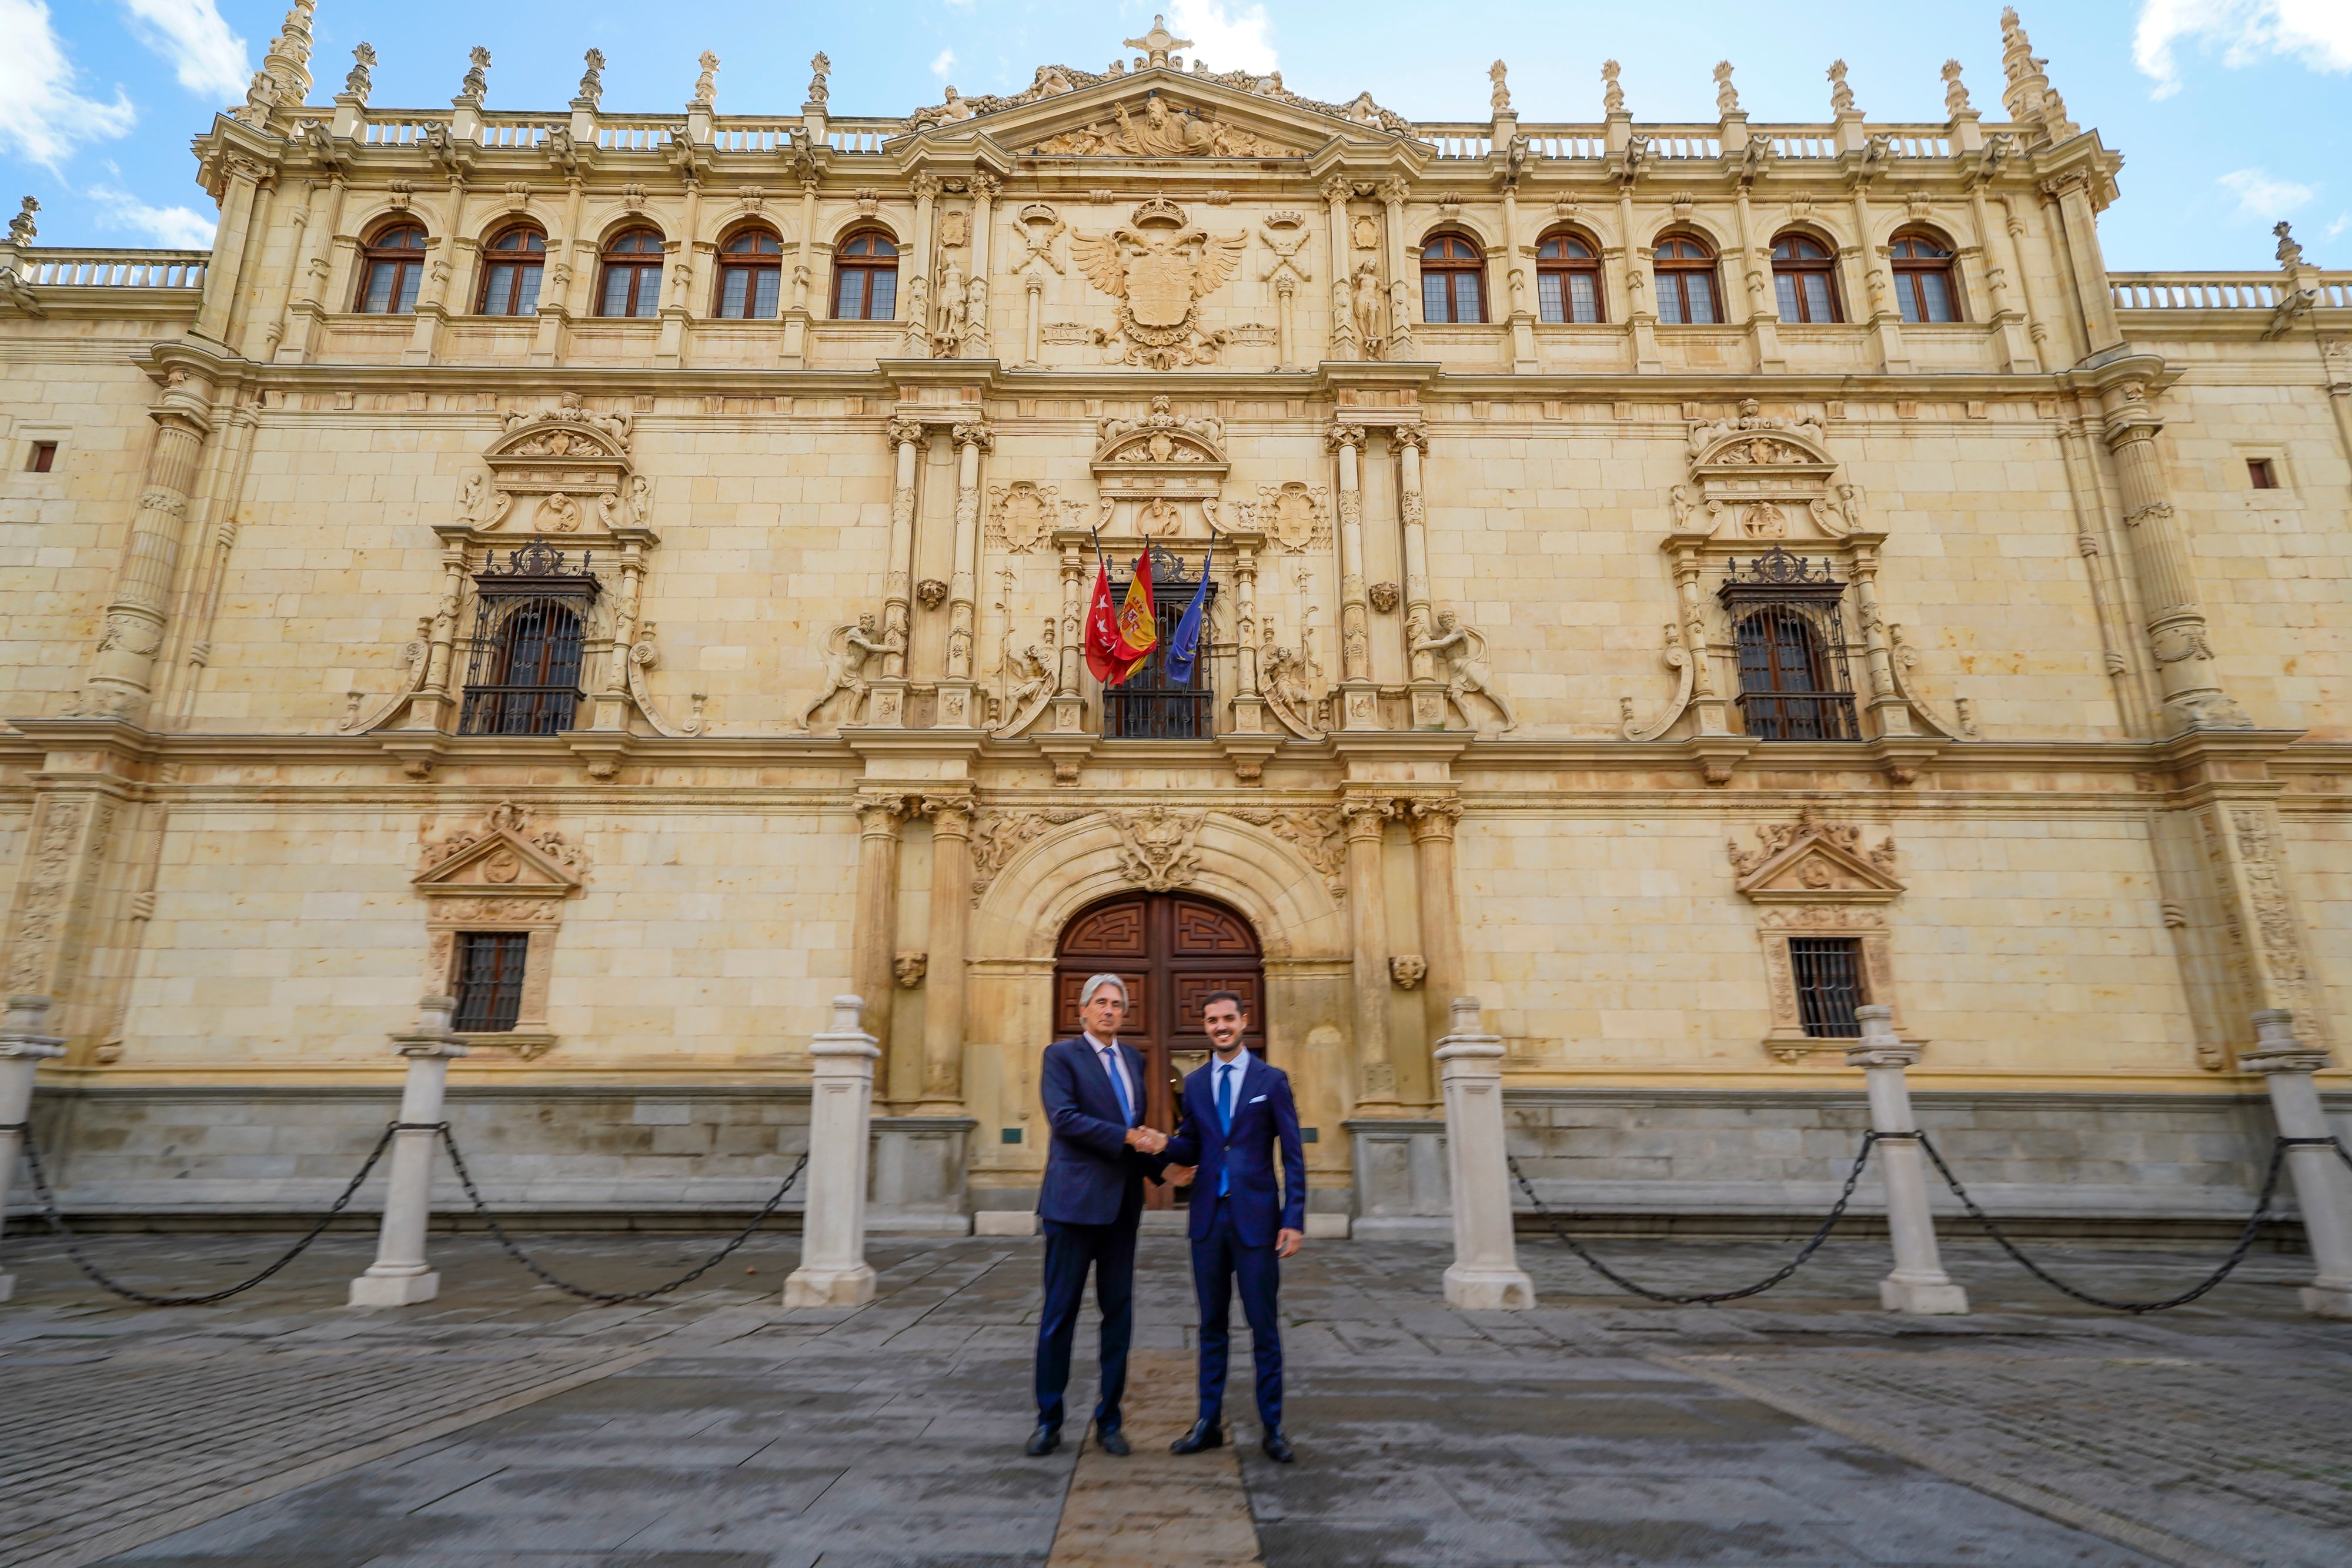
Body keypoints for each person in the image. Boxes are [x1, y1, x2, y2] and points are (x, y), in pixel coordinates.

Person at [1028, 972, 1171, 1457]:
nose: (1110, 1010)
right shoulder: (1060, 1056)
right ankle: (1049, 1419)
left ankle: (1109, 1419)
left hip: (1120, 1209)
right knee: (1059, 1314)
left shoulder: (1134, 1058)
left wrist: (1167, 1170)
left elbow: (1135, 1132)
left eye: (1117, 1004)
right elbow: (1065, 1119)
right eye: (1101, 1002)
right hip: (1071, 1207)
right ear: (1083, 1011)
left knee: (1119, 1315)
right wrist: (1131, 1138)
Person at [1163, 989, 1305, 1464]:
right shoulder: (1198, 1083)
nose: (1220, 1026)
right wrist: (1157, 1144)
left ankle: (1273, 1427)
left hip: (1257, 1221)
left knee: (1263, 1326)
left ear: (1244, 1021)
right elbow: (1191, 1144)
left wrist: (1294, 1218)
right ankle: (1208, 1422)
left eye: (1228, 1018)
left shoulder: (1272, 1080)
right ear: (1204, 1026)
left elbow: (1292, 1155)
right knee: (1211, 1325)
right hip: (1208, 1219)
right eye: (1211, 1020)